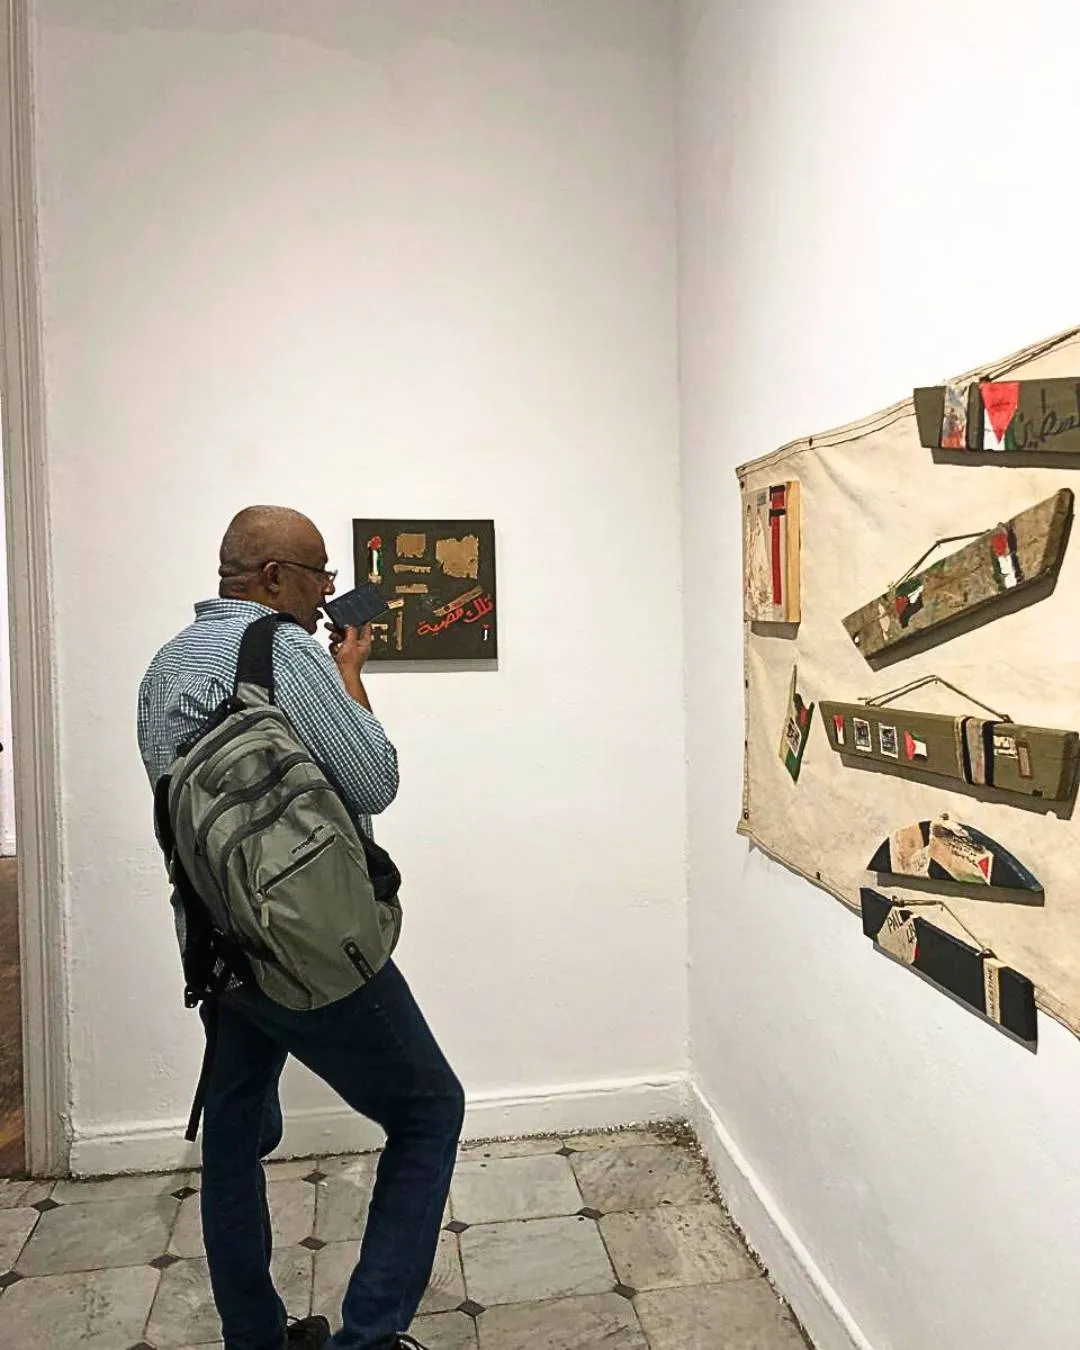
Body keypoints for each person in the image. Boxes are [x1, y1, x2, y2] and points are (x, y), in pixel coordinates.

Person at [137, 506, 465, 1350]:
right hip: (308, 941)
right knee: (431, 1110)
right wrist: (350, 674)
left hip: (218, 947)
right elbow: (373, 780)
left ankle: (254, 1337)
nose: (328, 591)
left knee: (234, 1139)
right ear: (274, 578)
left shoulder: (165, 666)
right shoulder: (284, 652)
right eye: (319, 573)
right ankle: (369, 1338)